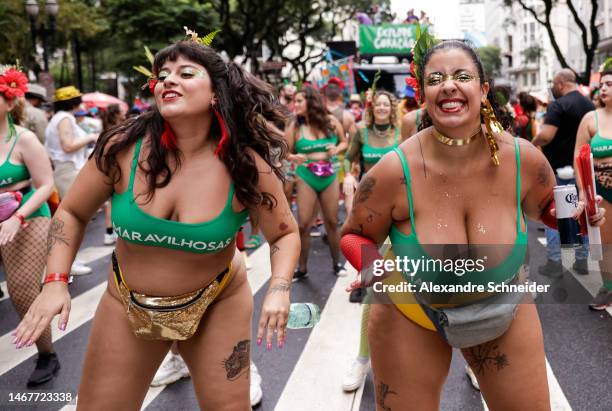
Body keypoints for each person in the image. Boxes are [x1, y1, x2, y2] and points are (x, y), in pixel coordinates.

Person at [13, 37, 299, 409]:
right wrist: (55, 282)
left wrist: (278, 289)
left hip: (217, 303)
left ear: (216, 92)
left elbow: (284, 233)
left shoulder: (245, 165)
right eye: (162, 75)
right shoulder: (121, 147)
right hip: (127, 303)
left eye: (185, 73)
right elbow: (72, 212)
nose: (168, 80)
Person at [341, 39, 605, 409]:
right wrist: (372, 264)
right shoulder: (392, 171)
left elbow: (550, 207)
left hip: (504, 307)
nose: (448, 84)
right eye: (436, 79)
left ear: (482, 90)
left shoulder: (522, 158)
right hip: (410, 308)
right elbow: (354, 234)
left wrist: (576, 214)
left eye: (462, 76)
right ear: (424, 95)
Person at [0, 65, 57, 387]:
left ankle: (47, 353)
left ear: (9, 103)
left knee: (22, 291)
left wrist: (16, 217)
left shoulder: (25, 139)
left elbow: (45, 184)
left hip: (27, 215)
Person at [341, 90, 402, 390]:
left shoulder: (403, 132)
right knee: (374, 283)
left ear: (392, 109)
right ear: (371, 108)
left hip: (398, 213)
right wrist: (349, 177)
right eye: (376, 103)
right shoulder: (362, 133)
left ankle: (472, 360)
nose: (381, 108)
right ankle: (362, 360)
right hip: (368, 211)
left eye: (385, 104)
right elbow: (347, 160)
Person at [533, 69, 594, 277]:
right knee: (581, 212)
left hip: (558, 169)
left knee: (555, 214)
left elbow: (547, 135)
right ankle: (582, 260)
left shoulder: (559, 105)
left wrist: (532, 145)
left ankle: (555, 262)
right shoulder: (590, 105)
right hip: (582, 169)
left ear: (560, 84)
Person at [285, 86, 347, 280]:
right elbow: (285, 152)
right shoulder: (295, 125)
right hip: (306, 175)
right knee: (303, 223)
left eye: (299, 101)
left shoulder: (331, 121)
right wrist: (294, 157)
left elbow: (344, 142)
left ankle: (337, 263)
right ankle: (302, 267)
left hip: (329, 174)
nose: (295, 105)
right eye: (295, 101)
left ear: (311, 102)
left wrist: (336, 150)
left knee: (331, 221)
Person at [45, 86, 98, 275]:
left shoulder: (57, 119)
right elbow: (68, 146)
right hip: (68, 171)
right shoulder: (65, 119)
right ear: (73, 102)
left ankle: (70, 259)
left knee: (70, 217)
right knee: (73, 218)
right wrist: (91, 136)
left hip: (64, 170)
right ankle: (68, 263)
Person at [574, 66, 612, 310]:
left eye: (610, 84)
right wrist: (582, 193)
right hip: (601, 193)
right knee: (606, 244)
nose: (604, 88)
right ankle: (608, 288)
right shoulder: (591, 118)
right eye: (604, 84)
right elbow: (578, 155)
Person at [100, 104, 125, 245]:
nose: (124, 113)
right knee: (114, 202)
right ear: (116, 114)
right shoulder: (118, 131)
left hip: (110, 169)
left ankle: (110, 232)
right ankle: (113, 232)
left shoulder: (106, 130)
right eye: (122, 111)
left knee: (111, 202)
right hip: (117, 170)